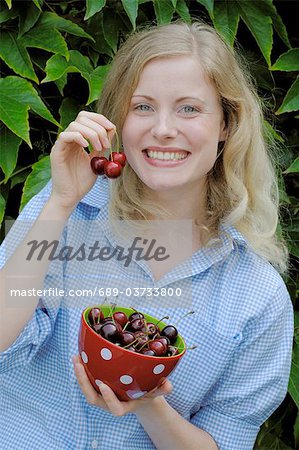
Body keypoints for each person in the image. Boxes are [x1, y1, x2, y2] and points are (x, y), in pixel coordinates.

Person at [0, 19, 294, 450]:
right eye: (143, 107)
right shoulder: (66, 214)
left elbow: (224, 440)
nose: (163, 129)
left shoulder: (255, 295)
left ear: (227, 124)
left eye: (189, 108)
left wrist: (148, 401)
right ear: (118, 119)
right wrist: (60, 203)